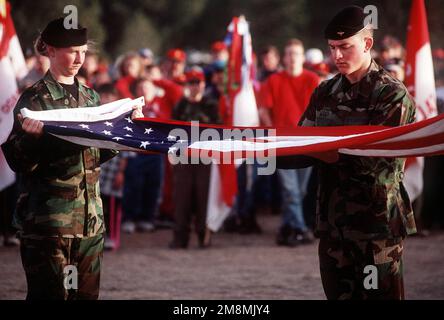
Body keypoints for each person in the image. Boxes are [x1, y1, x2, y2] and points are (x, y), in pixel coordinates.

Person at [279, 6, 416, 299]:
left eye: (344, 47)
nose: (337, 56)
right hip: (333, 225)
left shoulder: (391, 94)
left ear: (367, 44)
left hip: (375, 228)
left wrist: (328, 153)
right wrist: (251, 150)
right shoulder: (325, 92)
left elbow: (378, 158)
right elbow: (300, 143)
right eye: (332, 48)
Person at [1, 17, 142, 300]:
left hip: (90, 222)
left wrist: (124, 132)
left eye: (83, 51)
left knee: (85, 297)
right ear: (50, 51)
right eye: (71, 51)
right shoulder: (35, 99)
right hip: (49, 223)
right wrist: (31, 139)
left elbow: (93, 154)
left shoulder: (90, 97)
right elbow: (18, 162)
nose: (79, 58)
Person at [259, 38, 320, 246]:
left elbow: (320, 111)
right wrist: (272, 133)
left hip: (306, 144)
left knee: (299, 191)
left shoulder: (313, 80)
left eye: (296, 53)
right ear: (283, 58)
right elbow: (263, 110)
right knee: (291, 191)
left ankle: (286, 228)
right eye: (289, 53)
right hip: (281, 144)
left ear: (303, 57)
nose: (293, 57)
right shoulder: (273, 81)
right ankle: (301, 229)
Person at [169, 67, 221, 249]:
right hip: (184, 158)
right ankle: (180, 237)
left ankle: (203, 235)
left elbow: (218, 129)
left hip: (205, 158)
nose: (194, 86)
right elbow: (172, 131)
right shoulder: (180, 105)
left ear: (203, 84)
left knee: (203, 197)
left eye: (197, 83)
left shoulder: (211, 105)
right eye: (190, 83)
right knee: (182, 198)